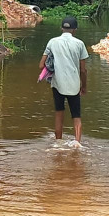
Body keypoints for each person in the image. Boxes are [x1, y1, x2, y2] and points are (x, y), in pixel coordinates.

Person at [39, 16, 89, 147]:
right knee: (76, 116)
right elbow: (83, 70)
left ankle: (58, 143)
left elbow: (41, 65)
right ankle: (77, 143)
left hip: (57, 84)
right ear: (75, 30)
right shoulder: (79, 44)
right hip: (74, 85)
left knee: (59, 113)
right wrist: (84, 86)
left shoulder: (52, 42)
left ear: (62, 28)